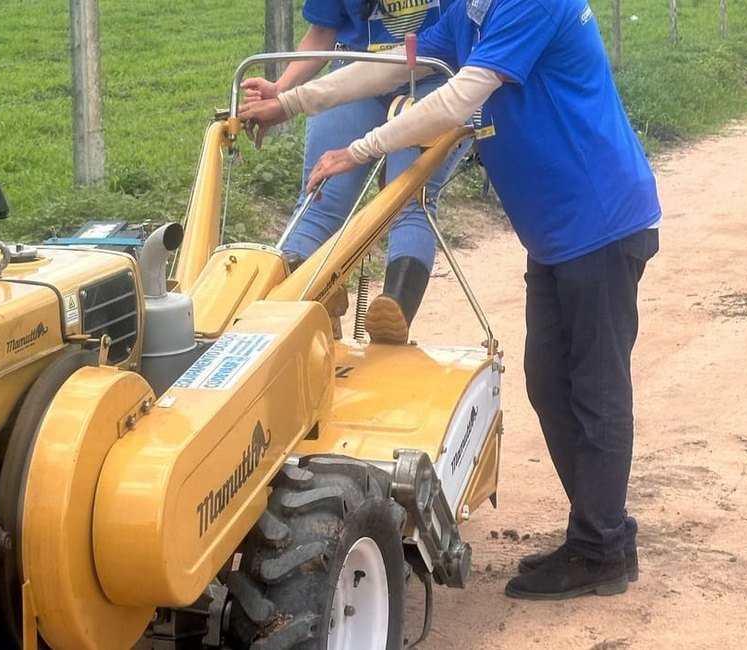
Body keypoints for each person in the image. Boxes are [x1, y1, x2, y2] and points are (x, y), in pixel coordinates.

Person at [240, 0, 661, 600]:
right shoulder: (467, 14)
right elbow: (388, 67)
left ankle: (600, 548)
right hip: (557, 236)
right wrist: (290, 101)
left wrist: (359, 150)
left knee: (593, 386)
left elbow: (458, 97)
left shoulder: (528, 4)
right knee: (549, 381)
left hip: (599, 223)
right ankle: (604, 534)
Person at [243, 0, 469, 343]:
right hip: (357, 71)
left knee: (408, 194)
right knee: (320, 196)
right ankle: (292, 311)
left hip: (434, 73)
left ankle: (391, 314)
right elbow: (322, 29)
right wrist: (281, 89)